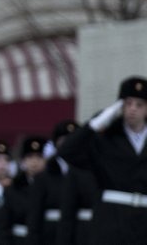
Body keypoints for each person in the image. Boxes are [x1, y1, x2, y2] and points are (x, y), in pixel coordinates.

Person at [58, 75, 147, 243]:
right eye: (127, 103)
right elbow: (67, 151)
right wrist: (94, 125)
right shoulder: (107, 138)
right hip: (111, 220)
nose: (133, 109)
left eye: (139, 104)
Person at [1, 135, 45, 244]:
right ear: (23, 161)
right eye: (30, 157)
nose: (34, 162)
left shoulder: (54, 187)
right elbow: (4, 225)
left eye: (39, 157)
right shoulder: (13, 188)